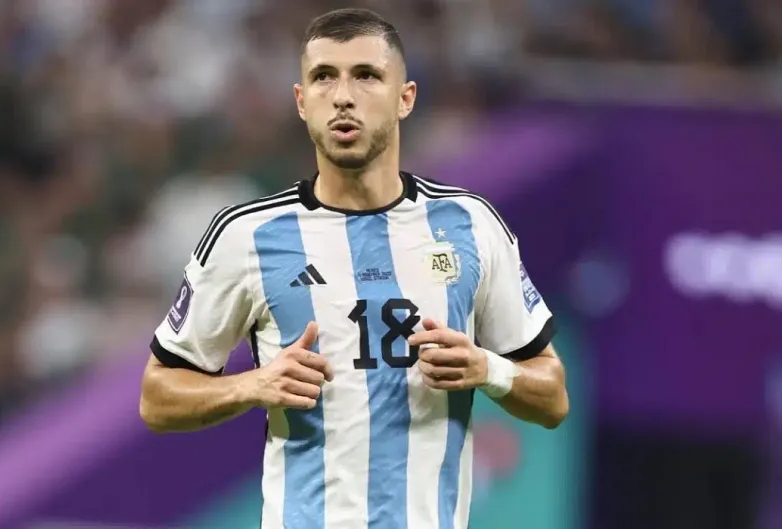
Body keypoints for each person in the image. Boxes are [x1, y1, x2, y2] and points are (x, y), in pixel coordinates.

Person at [139, 8, 569, 529]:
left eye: (366, 75)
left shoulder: (470, 225)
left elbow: (552, 395)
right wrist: (250, 385)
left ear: (405, 98)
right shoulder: (246, 235)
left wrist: (487, 369)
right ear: (302, 102)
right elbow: (157, 397)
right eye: (324, 77)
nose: (343, 96)